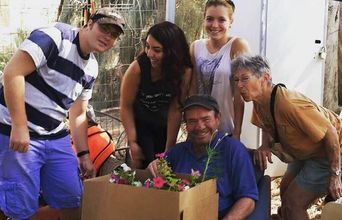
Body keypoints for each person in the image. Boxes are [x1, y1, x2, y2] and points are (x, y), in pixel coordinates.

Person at [0, 7, 125, 220]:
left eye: (114, 35)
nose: (108, 37)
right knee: (20, 205)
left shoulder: (91, 68)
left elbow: (77, 114)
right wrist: (20, 126)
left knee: (72, 196)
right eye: (104, 28)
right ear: (88, 23)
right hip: (18, 130)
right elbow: (13, 73)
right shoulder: (54, 37)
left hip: (54, 135)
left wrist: (84, 155)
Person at [231, 54, 342, 220]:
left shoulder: (288, 103)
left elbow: (331, 133)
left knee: (293, 202)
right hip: (304, 153)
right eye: (236, 80)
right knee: (285, 190)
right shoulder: (259, 100)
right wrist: (264, 145)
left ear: (265, 78)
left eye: (245, 79)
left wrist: (335, 175)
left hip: (327, 153)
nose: (239, 85)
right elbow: (265, 124)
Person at [148, 94, 258, 219]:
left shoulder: (234, 150)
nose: (200, 127)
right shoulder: (176, 152)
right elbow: (154, 183)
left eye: (206, 119)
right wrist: (153, 167)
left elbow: (248, 199)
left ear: (218, 119)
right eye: (192, 121)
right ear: (186, 125)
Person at [120, 21, 193, 169]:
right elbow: (125, 106)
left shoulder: (184, 71)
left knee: (164, 166)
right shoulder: (137, 68)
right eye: (147, 46)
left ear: (172, 52)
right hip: (140, 124)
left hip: (163, 125)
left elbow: (175, 109)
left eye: (157, 50)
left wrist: (169, 149)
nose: (150, 54)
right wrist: (132, 141)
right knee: (142, 165)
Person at [190, 0, 250, 138]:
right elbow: (192, 88)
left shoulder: (237, 45)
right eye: (210, 19)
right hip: (200, 130)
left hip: (225, 129)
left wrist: (237, 133)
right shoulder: (195, 47)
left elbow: (239, 94)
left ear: (231, 20)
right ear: (204, 19)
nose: (215, 25)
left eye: (221, 20)